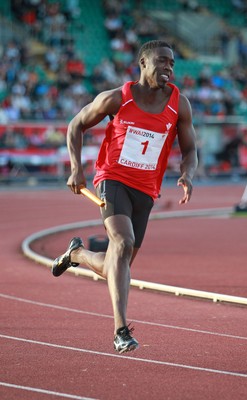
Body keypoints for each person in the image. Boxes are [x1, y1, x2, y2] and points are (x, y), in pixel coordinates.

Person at [52, 40, 198, 354]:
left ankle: (77, 255)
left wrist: (187, 174)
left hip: (146, 190)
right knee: (123, 241)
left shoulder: (179, 103)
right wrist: (76, 169)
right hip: (112, 179)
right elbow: (76, 125)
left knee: (117, 265)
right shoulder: (117, 98)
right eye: (161, 61)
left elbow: (190, 150)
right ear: (143, 63)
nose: (168, 68)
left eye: (172, 63)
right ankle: (121, 329)